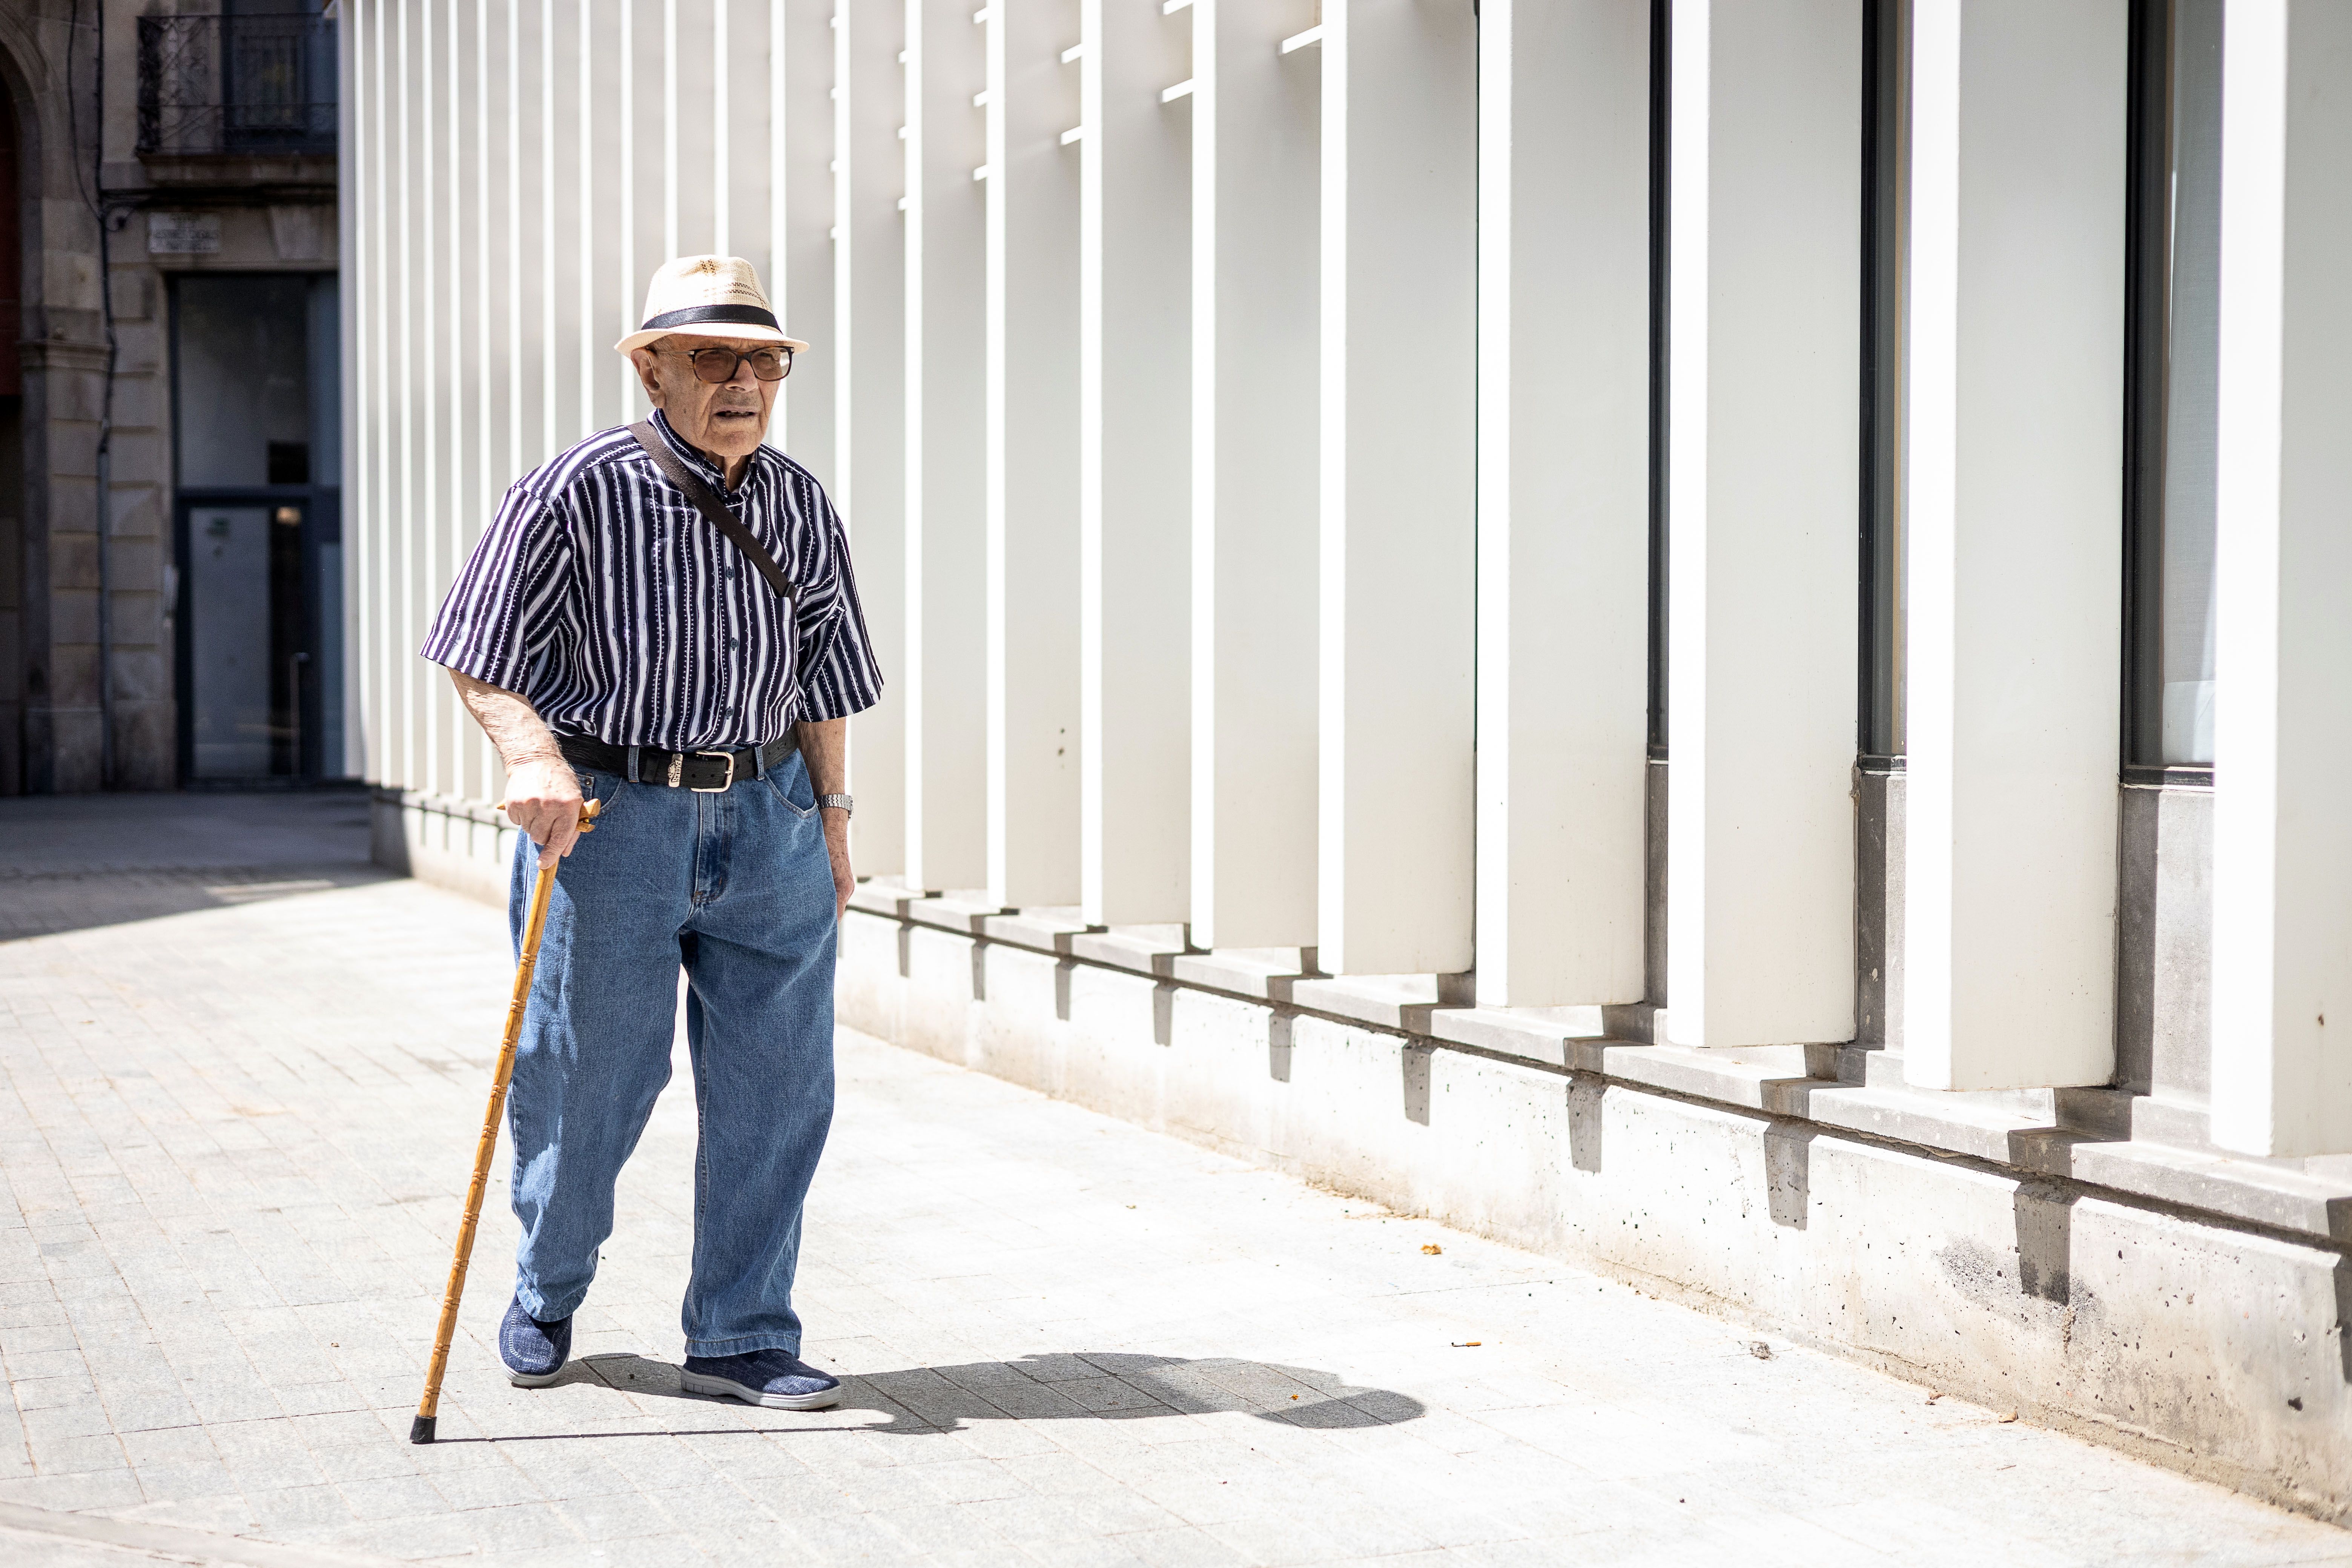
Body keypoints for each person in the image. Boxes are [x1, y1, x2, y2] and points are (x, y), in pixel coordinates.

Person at [420, 255, 881, 1411]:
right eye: (713, 356)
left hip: (770, 816)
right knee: (587, 1083)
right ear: (653, 368)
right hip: (613, 821)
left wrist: (830, 815)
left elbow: (823, 675)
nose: (743, 380)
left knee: (781, 1090)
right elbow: (478, 650)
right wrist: (531, 754)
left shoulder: (799, 501)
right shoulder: (574, 489)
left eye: (763, 359)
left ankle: (739, 1334)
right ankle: (547, 1282)